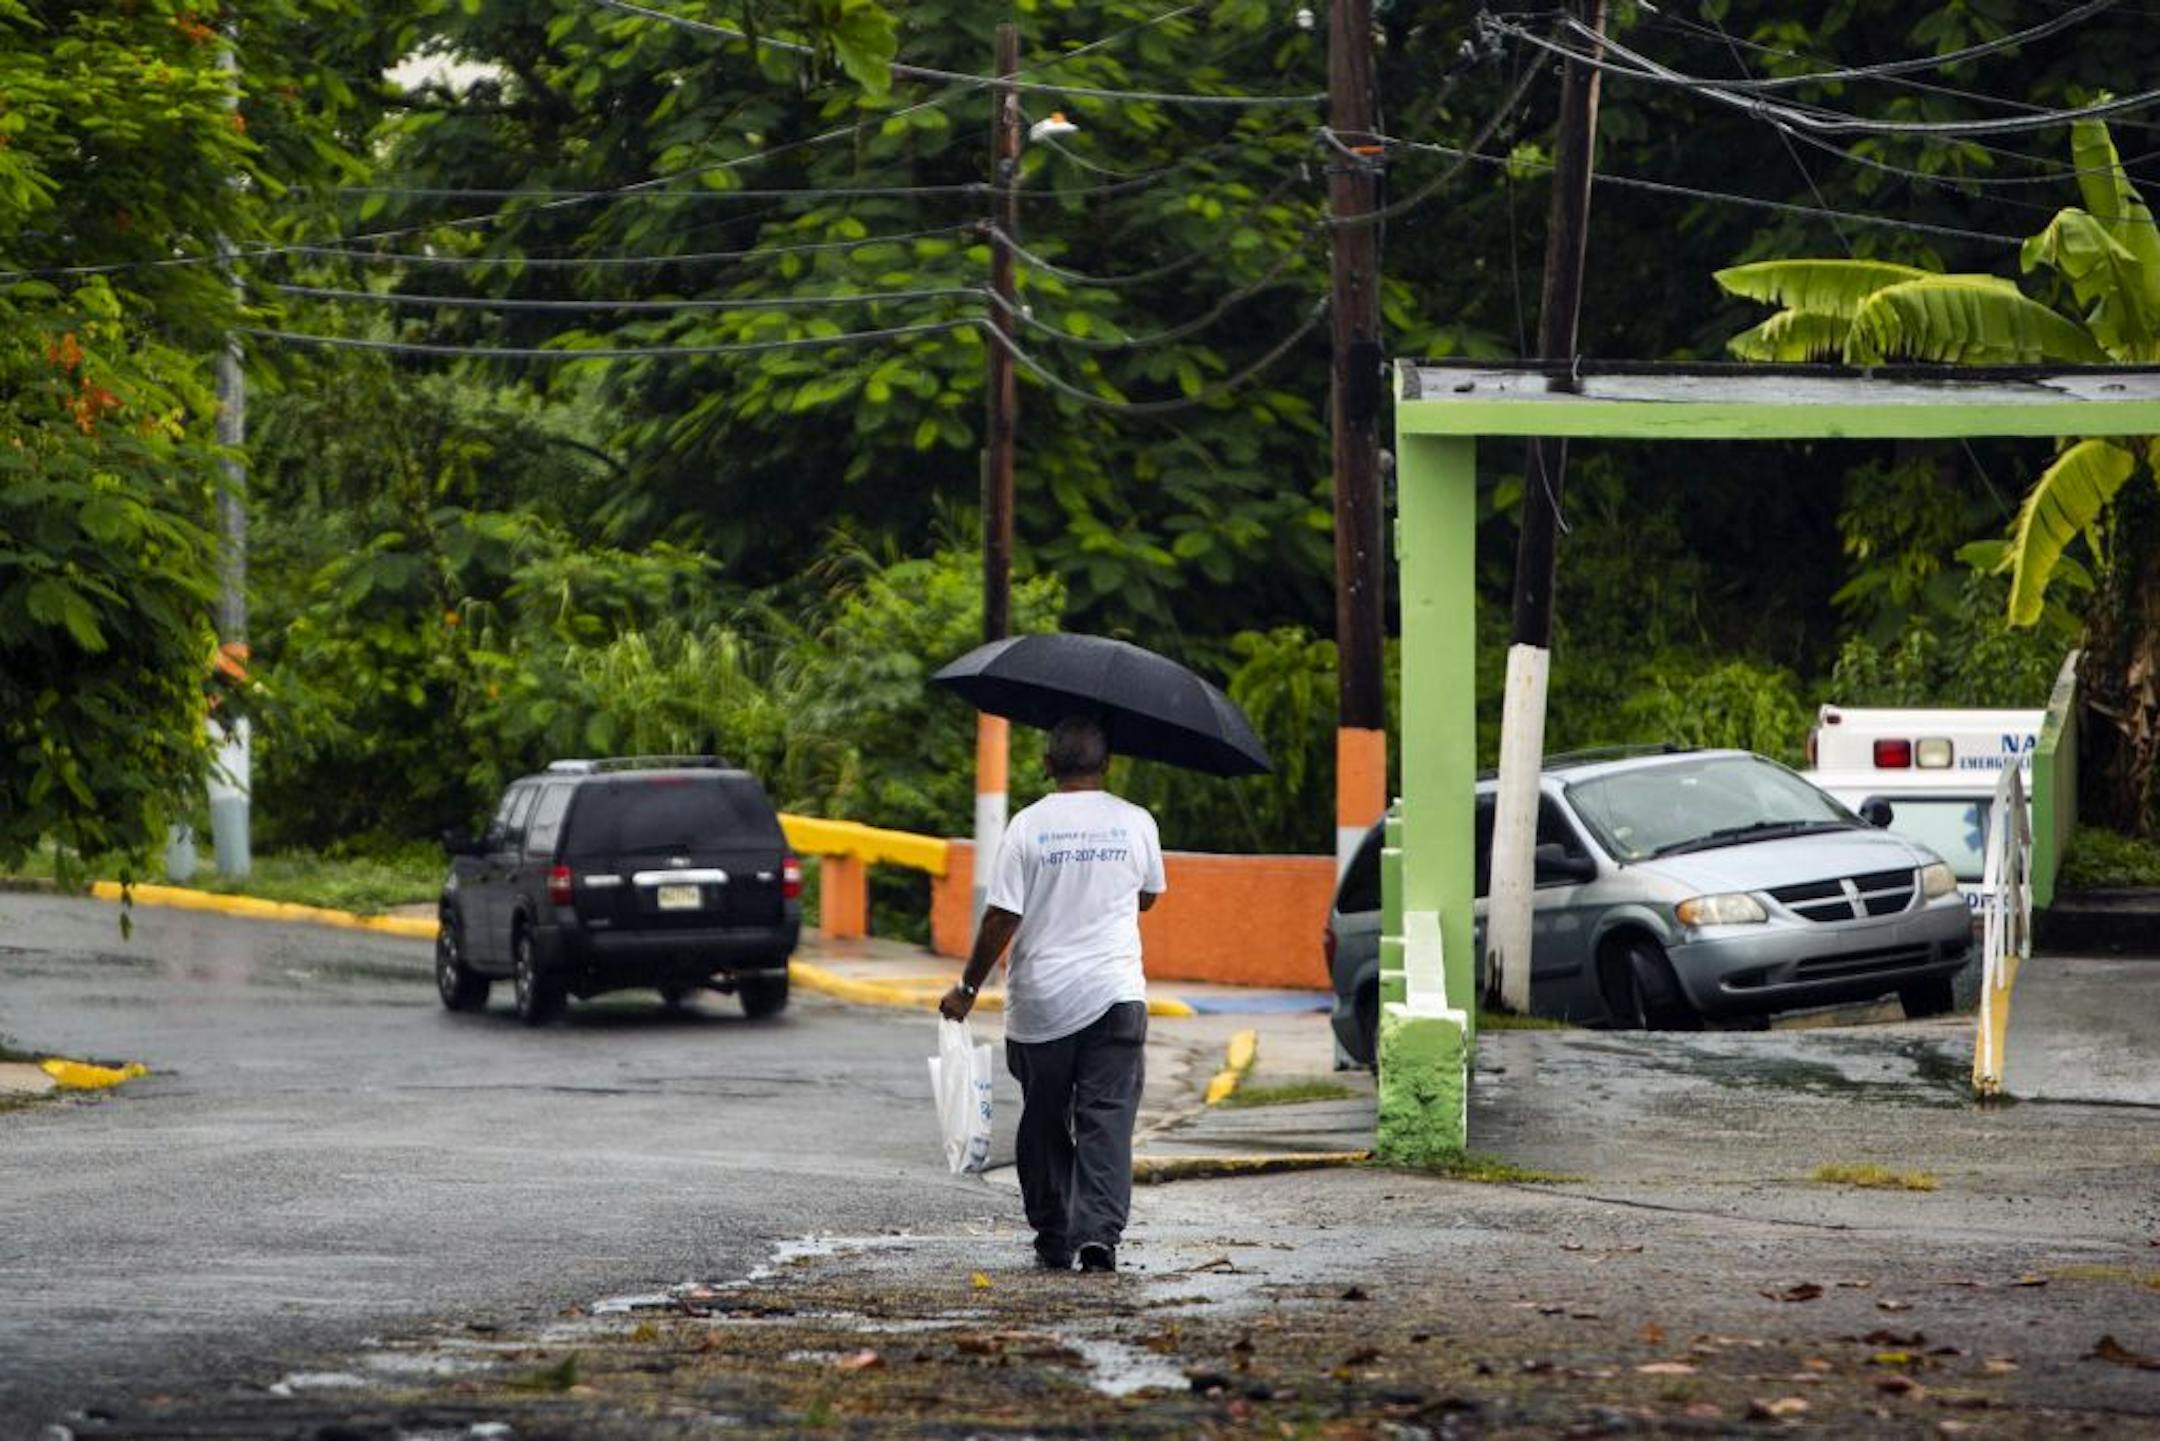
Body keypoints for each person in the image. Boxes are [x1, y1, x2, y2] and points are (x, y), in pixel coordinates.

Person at [939, 715, 1166, 1274]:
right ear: (1107, 764)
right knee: (1105, 1120)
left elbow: (1001, 915)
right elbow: (1148, 897)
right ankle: (1099, 1238)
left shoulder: (1027, 826)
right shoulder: (1137, 822)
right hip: (1117, 996)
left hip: (1042, 1002)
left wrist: (968, 986)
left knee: (1043, 1117)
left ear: (1047, 765)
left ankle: (1053, 1230)